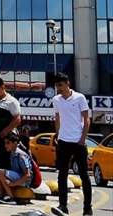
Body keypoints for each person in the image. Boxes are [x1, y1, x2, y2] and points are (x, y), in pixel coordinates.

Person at [50, 73, 92, 216]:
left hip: (78, 142)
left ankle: (87, 209)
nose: (59, 88)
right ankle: (63, 205)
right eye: (56, 86)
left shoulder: (79, 98)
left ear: (68, 84)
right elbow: (57, 118)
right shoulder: (56, 100)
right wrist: (57, 135)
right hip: (63, 141)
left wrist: (83, 138)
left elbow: (86, 118)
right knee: (62, 175)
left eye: (60, 85)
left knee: (84, 176)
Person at [0, 132, 32, 205]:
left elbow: (27, 175)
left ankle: (10, 197)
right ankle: (1, 195)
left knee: (0, 172)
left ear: (15, 143)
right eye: (5, 143)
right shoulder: (12, 153)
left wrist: (14, 184)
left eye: (8, 143)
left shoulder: (21, 156)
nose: (6, 145)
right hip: (17, 176)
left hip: (24, 180)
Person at [0, 77, 21, 171]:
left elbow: (17, 119)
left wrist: (4, 132)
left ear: (2, 87)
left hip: (6, 138)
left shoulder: (12, 101)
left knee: (7, 163)